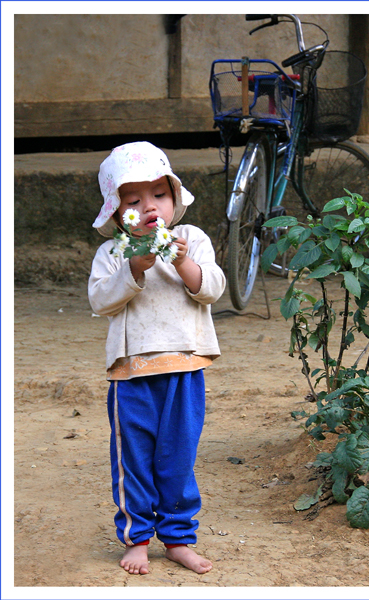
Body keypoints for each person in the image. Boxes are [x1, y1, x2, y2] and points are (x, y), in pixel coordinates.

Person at [88, 141, 225, 575]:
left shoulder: (193, 240)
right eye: (134, 200)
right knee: (134, 460)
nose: (150, 207)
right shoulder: (113, 254)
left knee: (178, 458)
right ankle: (137, 538)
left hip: (184, 368)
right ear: (116, 211)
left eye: (160, 196)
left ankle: (179, 538)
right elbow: (100, 301)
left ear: (175, 198)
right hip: (131, 375)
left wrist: (182, 264)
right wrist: (136, 268)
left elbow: (212, 289)